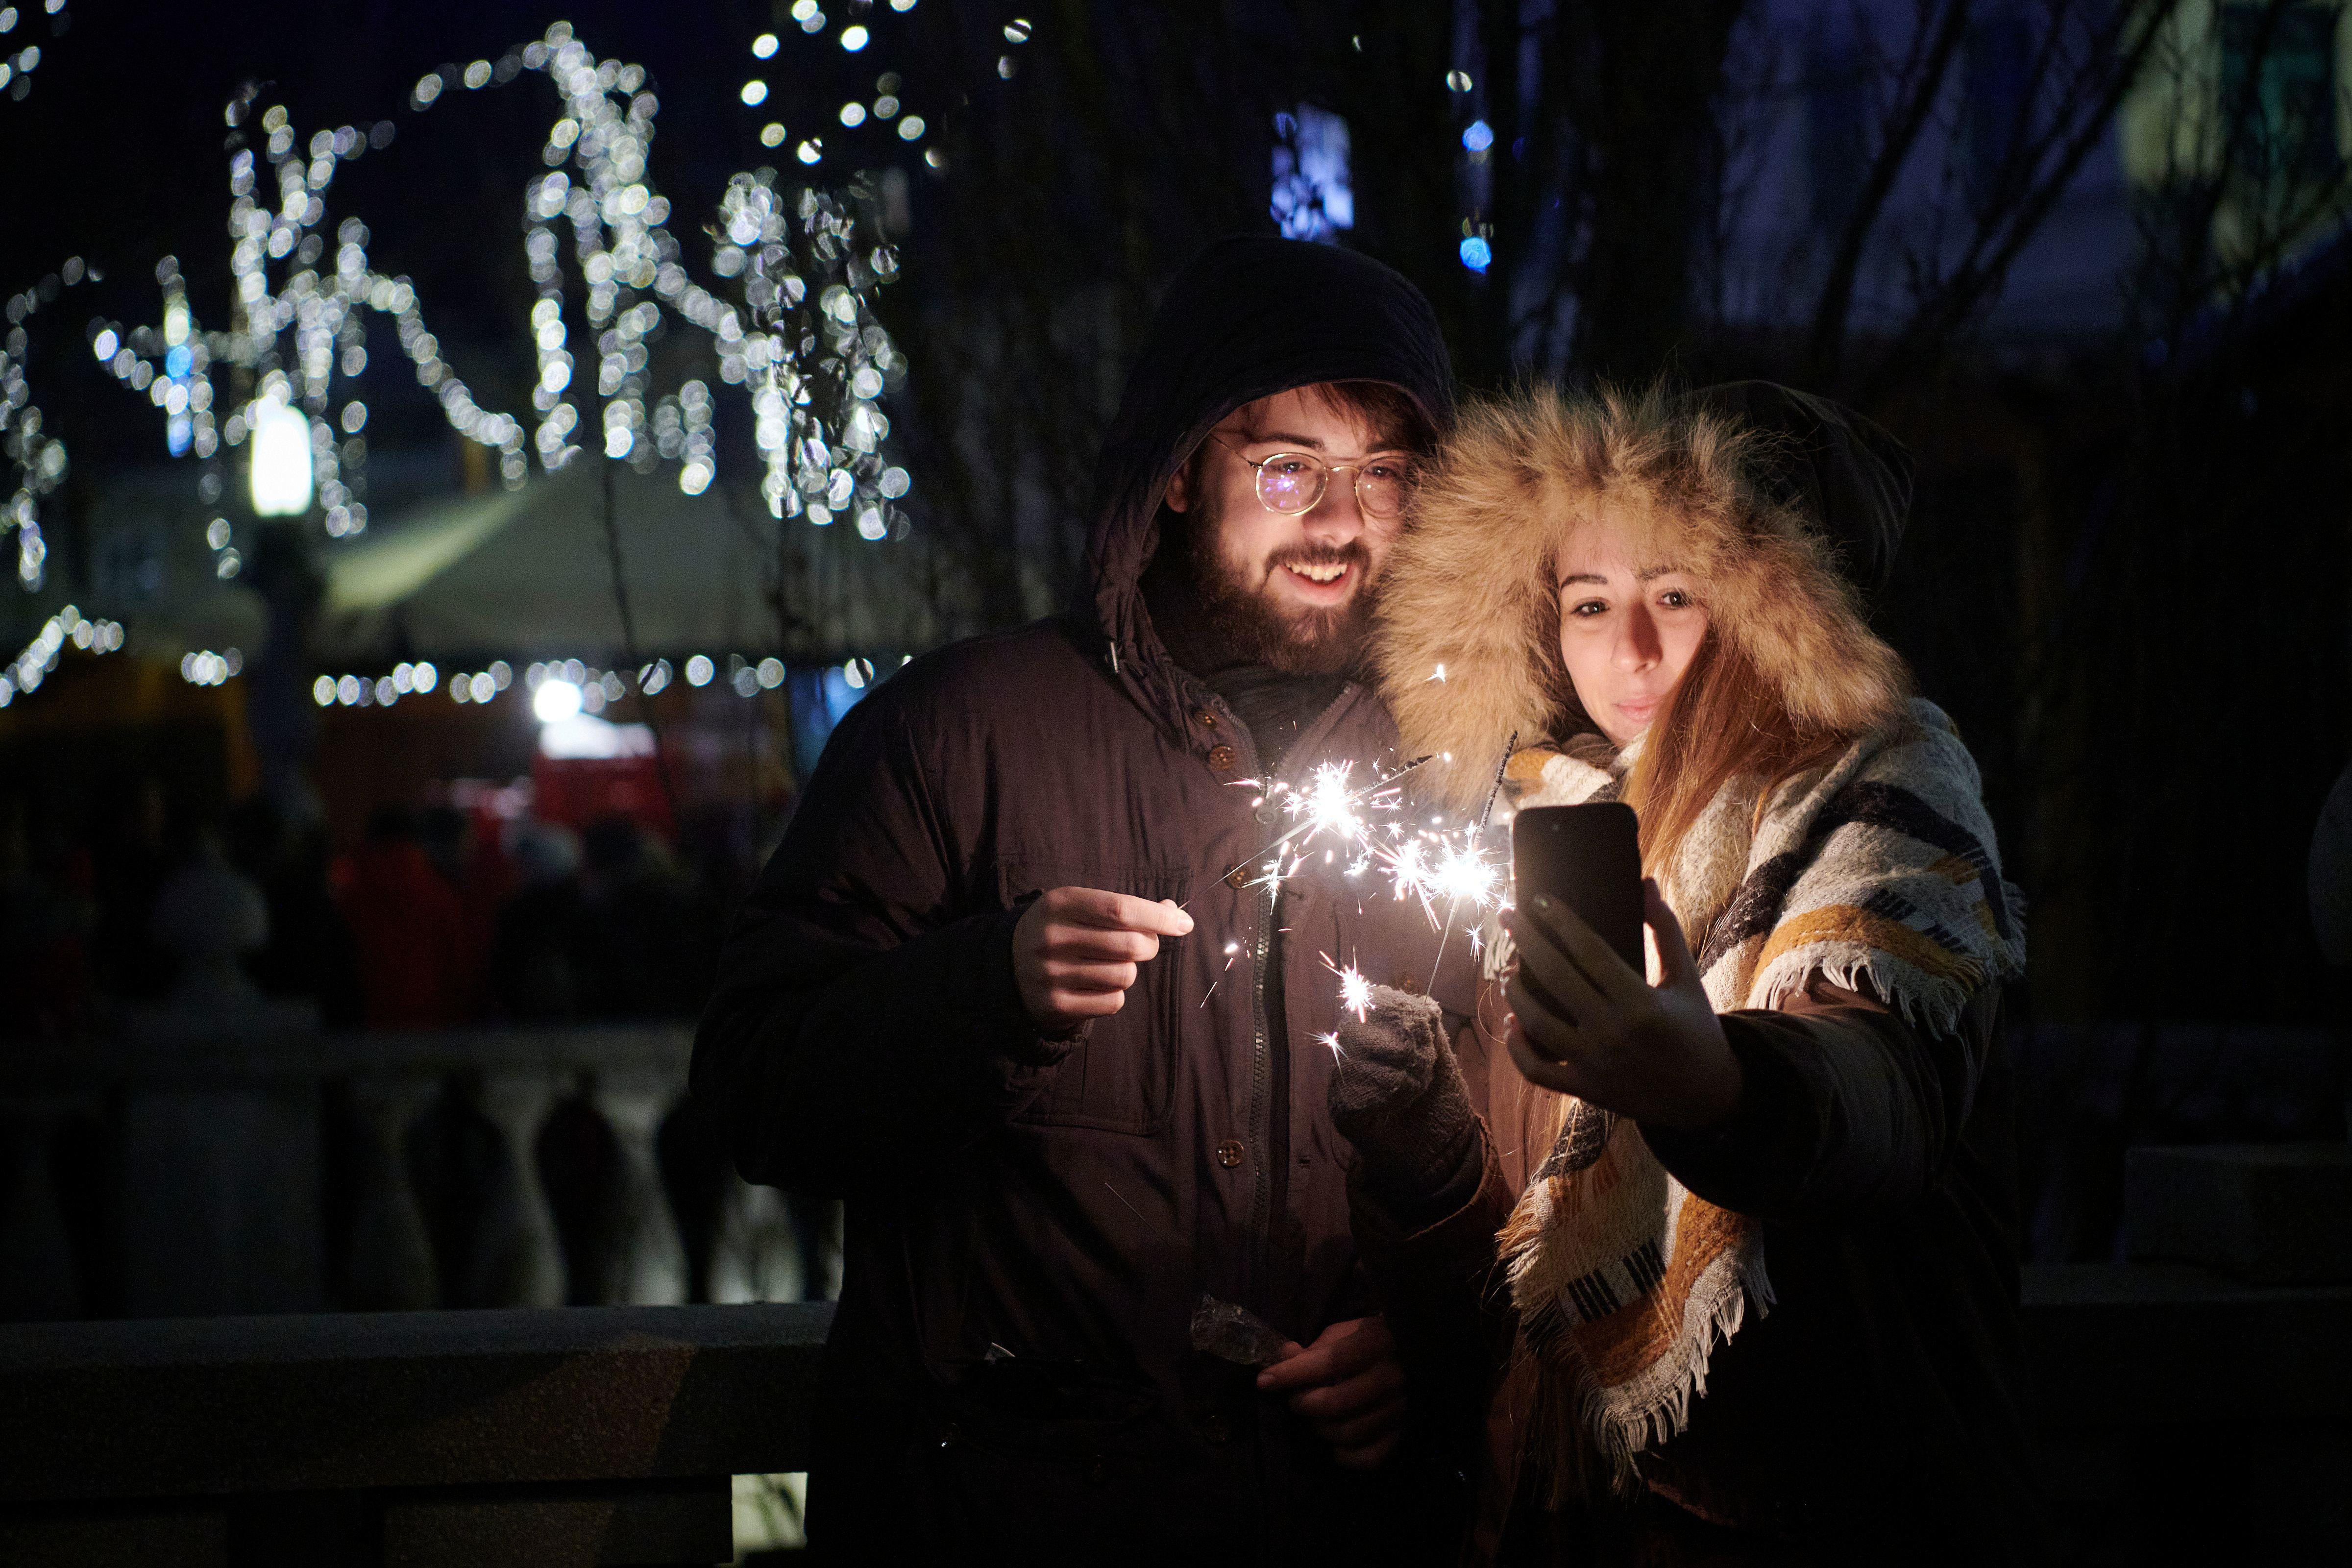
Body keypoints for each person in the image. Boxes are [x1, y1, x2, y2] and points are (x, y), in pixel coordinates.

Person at [694, 236, 1471, 1562]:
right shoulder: (958, 734)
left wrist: (1427, 1334)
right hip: (1011, 1522)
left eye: (1385, 478)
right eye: (1286, 469)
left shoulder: (1455, 773)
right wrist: (983, 989)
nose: (1340, 523)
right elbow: (756, 1088)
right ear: (1178, 472)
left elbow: (1541, 1158)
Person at [1330, 384, 2041, 1563]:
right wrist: (1427, 1146)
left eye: (1677, 594)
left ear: (1777, 607)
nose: (1633, 651)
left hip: (1834, 1502)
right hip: (1584, 1519)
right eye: (1590, 602)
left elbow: (1883, 1089)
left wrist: (1716, 1083)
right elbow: (1524, 1257)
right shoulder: (1547, 830)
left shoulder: (1888, 786)